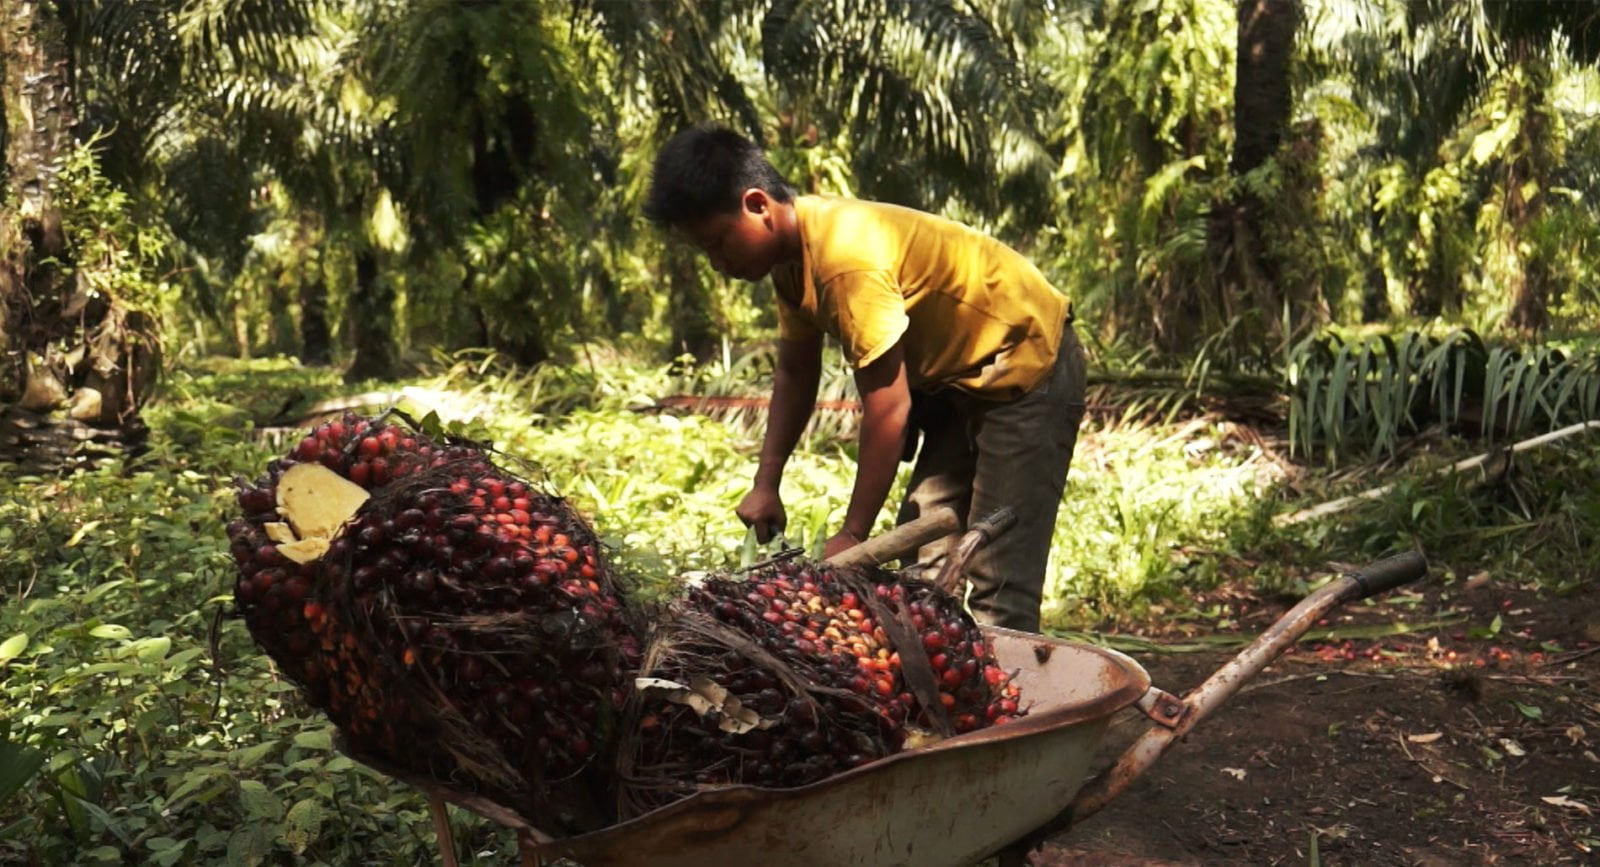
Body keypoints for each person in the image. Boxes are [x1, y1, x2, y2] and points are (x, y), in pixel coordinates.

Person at [643, 124, 1086, 634]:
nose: (719, 264)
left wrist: (854, 533)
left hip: (1024, 366)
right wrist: (767, 483)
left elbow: (887, 405)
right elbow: (795, 369)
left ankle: (1019, 709)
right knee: (923, 567)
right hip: (957, 383)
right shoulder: (793, 261)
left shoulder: (845, 259)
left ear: (758, 205)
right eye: (707, 253)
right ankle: (944, 696)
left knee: (997, 585)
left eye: (719, 244)